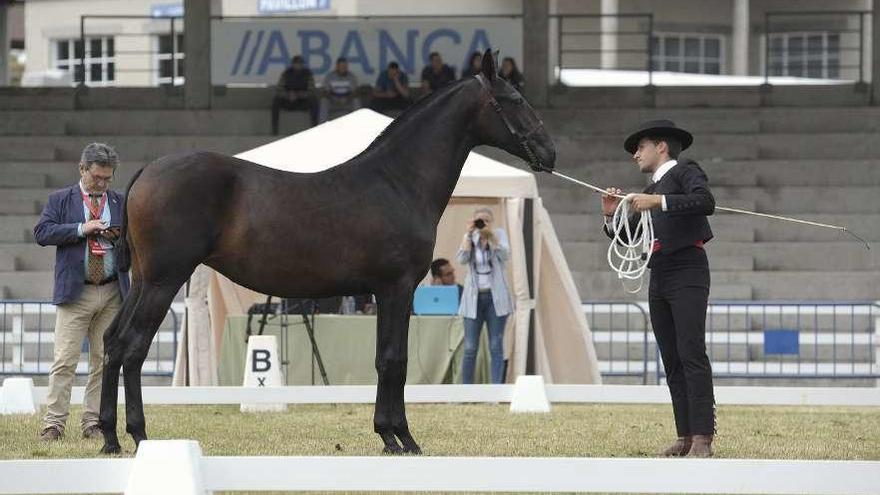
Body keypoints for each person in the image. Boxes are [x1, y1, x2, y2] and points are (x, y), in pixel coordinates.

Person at [601, 120, 716, 457]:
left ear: (662, 147)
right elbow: (629, 235)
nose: (635, 154)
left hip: (688, 268)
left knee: (691, 352)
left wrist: (658, 202)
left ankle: (703, 438)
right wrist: (612, 217)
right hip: (661, 271)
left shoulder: (683, 171)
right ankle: (684, 435)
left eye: (641, 146)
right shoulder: (650, 191)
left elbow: (705, 201)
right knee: (672, 358)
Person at [33, 143, 130, 441]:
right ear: (82, 169)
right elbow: (43, 232)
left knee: (104, 360)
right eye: (97, 177)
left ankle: (94, 422)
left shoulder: (120, 201)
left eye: (107, 178)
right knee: (65, 360)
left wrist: (118, 238)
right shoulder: (60, 199)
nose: (102, 183)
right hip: (76, 292)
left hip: (113, 289)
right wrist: (80, 229)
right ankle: (54, 423)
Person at [456, 208, 512, 384]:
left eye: (486, 220)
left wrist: (491, 238)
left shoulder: (499, 235)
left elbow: (505, 255)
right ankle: (467, 391)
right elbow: (462, 259)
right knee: (470, 347)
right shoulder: (470, 237)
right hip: (473, 299)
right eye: (479, 220)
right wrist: (468, 235)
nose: (482, 224)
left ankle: (496, 390)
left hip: (496, 299)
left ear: (492, 222)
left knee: (496, 346)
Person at [271, 55, 318, 134]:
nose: (298, 65)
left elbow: (312, 90)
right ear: (292, 64)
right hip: (288, 101)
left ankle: (314, 126)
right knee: (276, 100)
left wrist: (300, 95)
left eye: (300, 64)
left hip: (302, 101)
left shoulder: (308, 74)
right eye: (296, 64)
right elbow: (279, 90)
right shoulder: (286, 73)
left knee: (314, 100)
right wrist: (288, 95)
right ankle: (274, 129)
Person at [319, 57, 360, 123]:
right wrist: (334, 99)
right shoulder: (330, 76)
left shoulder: (351, 77)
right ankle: (321, 125)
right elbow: (326, 92)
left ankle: (359, 125)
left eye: (345, 66)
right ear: (337, 66)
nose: (344, 68)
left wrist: (347, 99)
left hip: (347, 102)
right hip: (333, 102)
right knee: (324, 101)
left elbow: (354, 92)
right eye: (342, 66)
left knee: (356, 101)